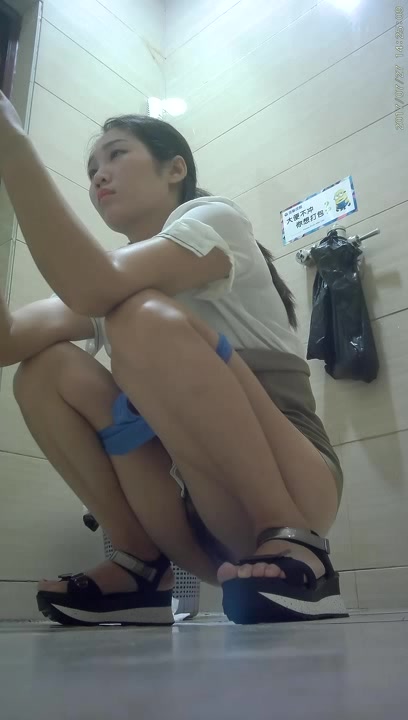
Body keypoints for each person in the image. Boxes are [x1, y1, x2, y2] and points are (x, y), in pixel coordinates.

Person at [0, 90, 347, 626]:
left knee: (138, 315)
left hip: (293, 486)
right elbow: (9, 341)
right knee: (43, 372)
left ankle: (296, 541)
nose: (98, 175)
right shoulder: (114, 280)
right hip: (185, 512)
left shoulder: (215, 221)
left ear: (175, 169)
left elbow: (95, 285)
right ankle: (141, 567)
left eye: (116, 154)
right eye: (91, 169)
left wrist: (14, 145)